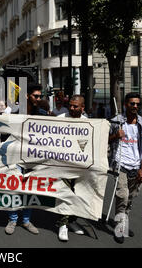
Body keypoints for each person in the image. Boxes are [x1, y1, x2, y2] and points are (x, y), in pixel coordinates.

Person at [108, 92, 142, 244]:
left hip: (136, 166)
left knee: (130, 199)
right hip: (120, 164)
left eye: (138, 104)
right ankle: (120, 228)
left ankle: (122, 221)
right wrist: (115, 136)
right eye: (132, 103)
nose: (135, 106)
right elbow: (104, 140)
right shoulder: (116, 121)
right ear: (126, 104)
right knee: (122, 196)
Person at [5, 83, 46, 236]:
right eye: (36, 96)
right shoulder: (15, 112)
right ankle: (13, 219)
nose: (38, 98)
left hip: (32, 158)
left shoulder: (41, 114)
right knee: (14, 188)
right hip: (15, 156)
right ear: (27, 96)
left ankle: (26, 220)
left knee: (29, 189)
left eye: (40, 96)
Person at [56, 94, 87, 241]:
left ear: (82, 108)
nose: (72, 108)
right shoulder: (60, 119)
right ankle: (62, 225)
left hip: (80, 167)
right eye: (71, 105)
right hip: (64, 166)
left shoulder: (89, 123)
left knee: (78, 194)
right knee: (65, 193)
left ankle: (71, 222)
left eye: (75, 106)